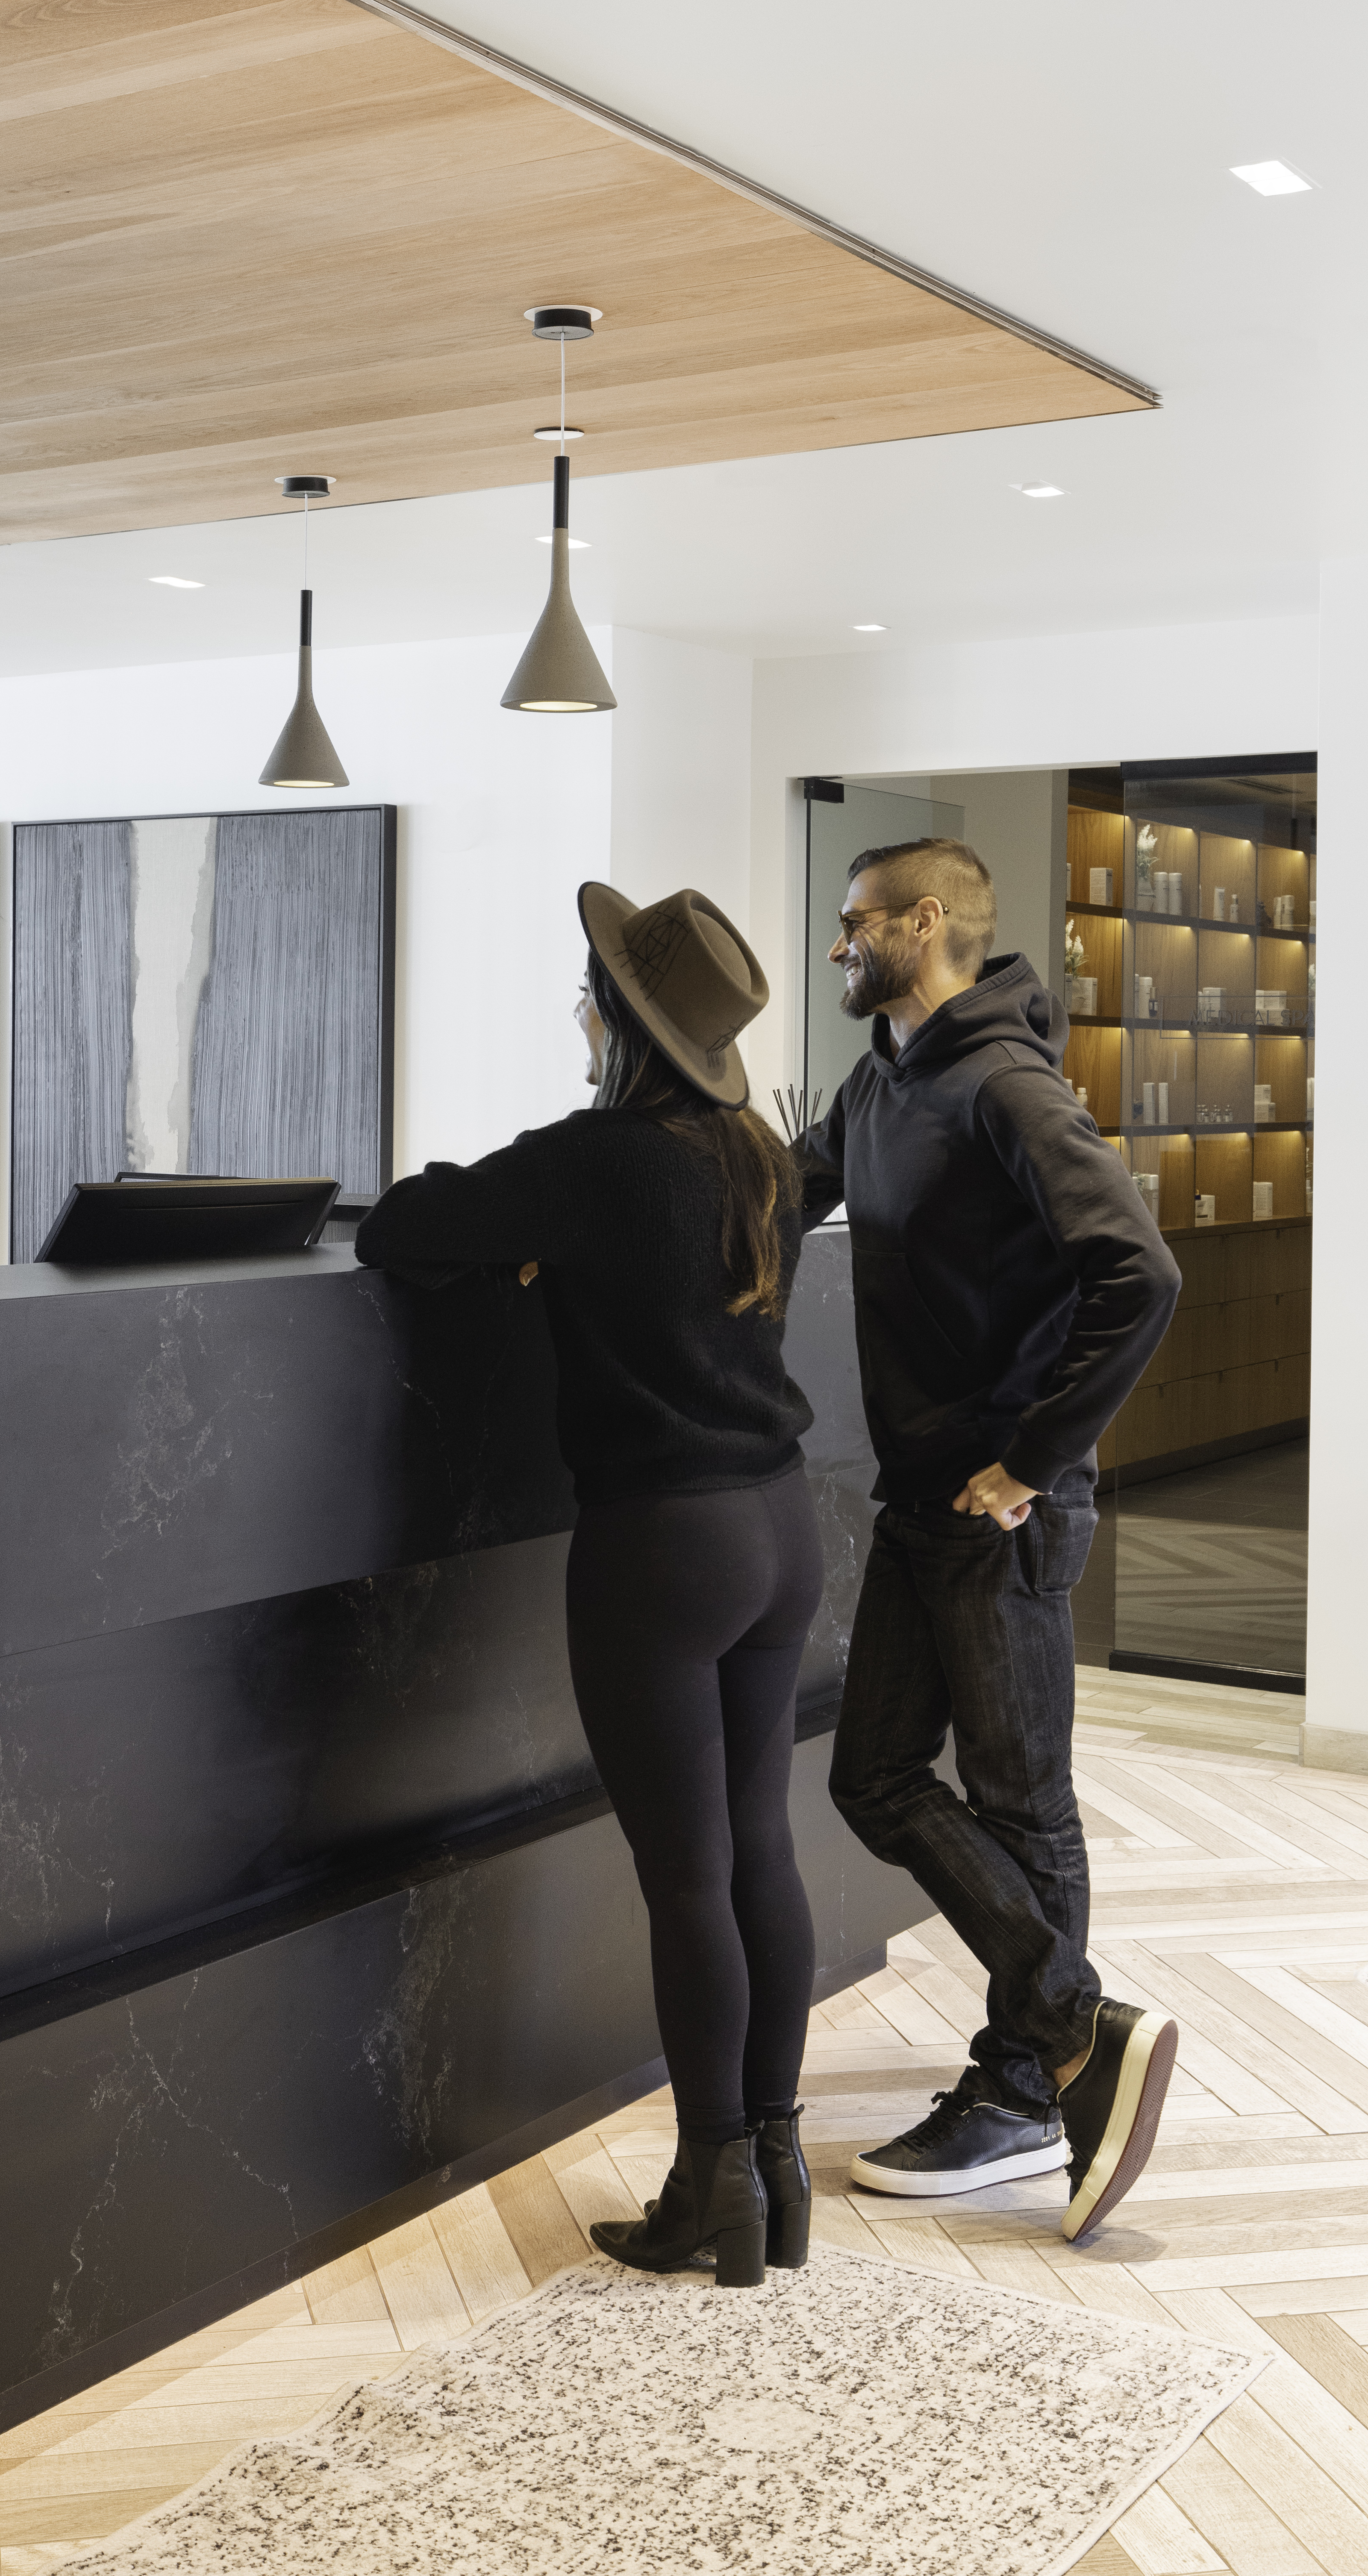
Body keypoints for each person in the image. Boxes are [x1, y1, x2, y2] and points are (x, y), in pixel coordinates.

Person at [355, 885, 819, 2289]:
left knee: (684, 1876)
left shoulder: (596, 1159)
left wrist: (529, 1241)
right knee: (759, 1849)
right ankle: (776, 2169)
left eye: (589, 993)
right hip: (781, 1526)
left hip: (662, 1545)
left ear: (619, 1020)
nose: (580, 1009)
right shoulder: (759, 1154)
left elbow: (401, 1224)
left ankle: (710, 2183)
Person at [793, 835, 1183, 2240]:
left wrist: (1031, 1457)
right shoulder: (883, 1075)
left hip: (1002, 1504)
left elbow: (1137, 1272)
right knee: (877, 1775)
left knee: (1023, 1802)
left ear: (930, 920)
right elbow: (788, 1190)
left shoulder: (1005, 1082)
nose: (840, 948)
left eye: (855, 927)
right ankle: (1073, 2017)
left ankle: (1026, 2083)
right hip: (922, 1493)